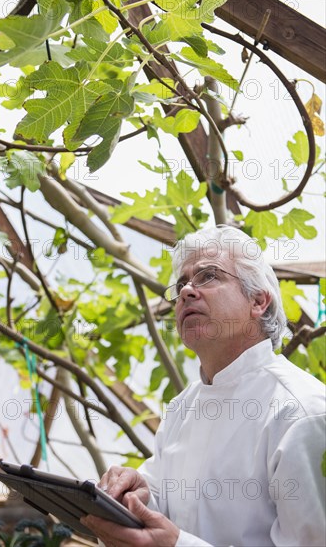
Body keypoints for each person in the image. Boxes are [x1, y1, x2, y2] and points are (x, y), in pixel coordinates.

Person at [82, 226, 326, 546]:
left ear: (258, 301)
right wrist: (133, 493)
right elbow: (159, 504)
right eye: (181, 283)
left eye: (209, 276)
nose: (187, 291)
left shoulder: (303, 412)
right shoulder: (182, 408)